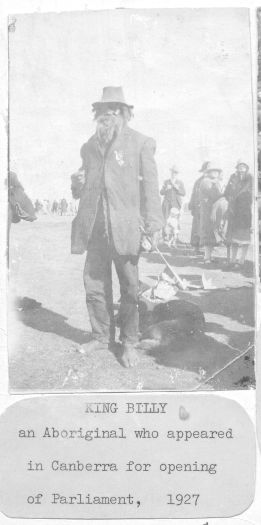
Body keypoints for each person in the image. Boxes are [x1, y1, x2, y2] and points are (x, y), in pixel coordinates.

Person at [70, 86, 163, 367]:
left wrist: (153, 224)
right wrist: (76, 183)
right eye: (102, 109)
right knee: (95, 286)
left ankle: (129, 342)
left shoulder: (141, 142)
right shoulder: (89, 145)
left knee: (130, 289)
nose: (107, 114)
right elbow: (83, 186)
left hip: (126, 229)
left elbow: (151, 187)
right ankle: (101, 338)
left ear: (124, 113)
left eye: (114, 109)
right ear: (96, 114)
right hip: (95, 228)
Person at [224, 161, 252, 268]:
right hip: (234, 211)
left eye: (243, 166)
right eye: (239, 167)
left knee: (244, 237)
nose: (241, 169)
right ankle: (232, 260)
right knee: (233, 237)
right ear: (237, 168)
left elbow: (250, 192)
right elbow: (226, 192)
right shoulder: (233, 177)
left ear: (246, 168)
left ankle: (241, 261)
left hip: (245, 211)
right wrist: (230, 199)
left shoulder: (250, 178)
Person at [198, 163, 224, 263]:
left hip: (212, 210)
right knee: (208, 232)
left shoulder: (213, 182)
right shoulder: (206, 181)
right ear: (209, 172)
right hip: (207, 210)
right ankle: (207, 257)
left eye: (217, 171)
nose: (215, 173)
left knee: (212, 232)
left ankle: (208, 256)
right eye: (213, 171)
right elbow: (213, 194)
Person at [188, 161, 209, 253]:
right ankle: (196, 247)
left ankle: (207, 249)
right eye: (206, 170)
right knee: (196, 228)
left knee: (207, 228)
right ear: (203, 171)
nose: (207, 172)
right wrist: (192, 205)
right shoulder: (198, 181)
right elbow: (193, 194)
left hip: (208, 209)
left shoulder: (213, 181)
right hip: (198, 208)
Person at [160, 165, 185, 242]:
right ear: (171, 172)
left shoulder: (180, 182)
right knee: (165, 220)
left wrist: (177, 188)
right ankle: (165, 237)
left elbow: (183, 193)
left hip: (176, 205)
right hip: (167, 204)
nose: (174, 174)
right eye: (173, 172)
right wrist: (166, 189)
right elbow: (161, 192)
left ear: (177, 174)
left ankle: (175, 238)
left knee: (176, 221)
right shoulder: (166, 182)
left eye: (176, 172)